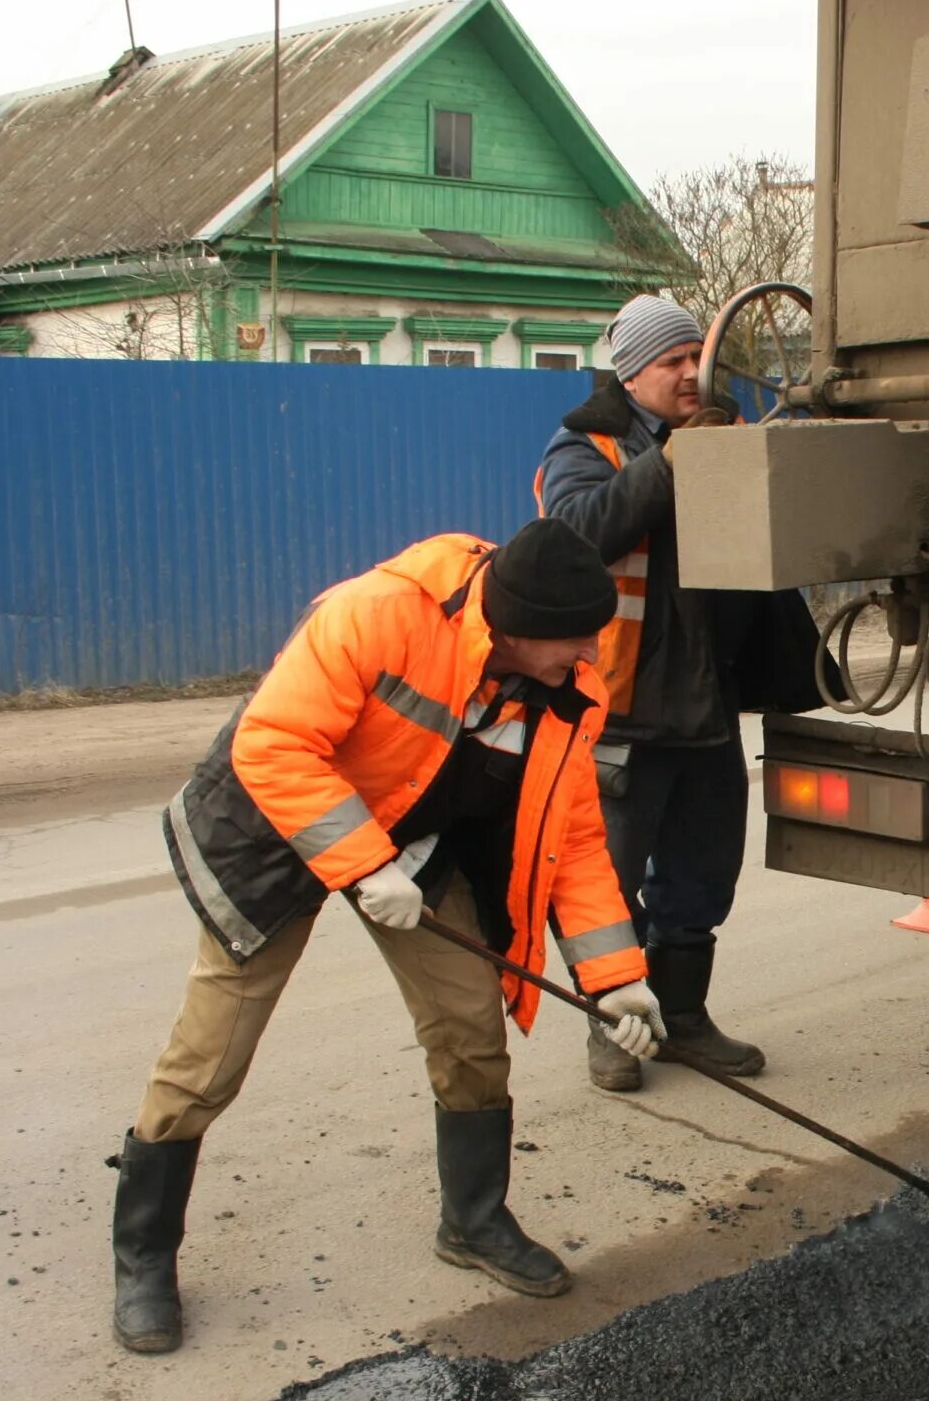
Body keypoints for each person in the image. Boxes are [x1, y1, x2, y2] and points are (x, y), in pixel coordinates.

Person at [109, 521, 667, 1355]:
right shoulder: (378, 614)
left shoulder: (567, 685)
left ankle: (473, 1221)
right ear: (516, 625)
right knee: (211, 1051)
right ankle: (145, 1255)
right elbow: (275, 742)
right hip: (282, 826)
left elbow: (577, 838)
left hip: (416, 841)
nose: (589, 652)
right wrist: (364, 867)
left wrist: (616, 976)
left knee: (470, 1029)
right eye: (576, 637)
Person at [535, 294, 827, 1094]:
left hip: (707, 703)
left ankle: (685, 1019)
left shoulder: (725, 431)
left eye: (698, 356)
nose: (692, 373)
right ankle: (614, 1030)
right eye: (674, 361)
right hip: (623, 710)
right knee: (608, 887)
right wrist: (667, 463)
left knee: (699, 880)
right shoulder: (583, 444)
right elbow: (578, 534)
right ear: (633, 372)